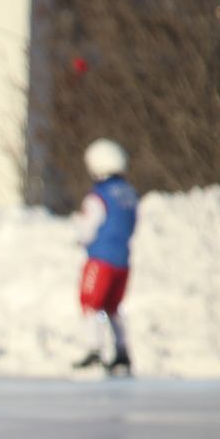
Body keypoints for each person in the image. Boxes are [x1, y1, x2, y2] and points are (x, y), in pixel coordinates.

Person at [71, 138, 138, 376]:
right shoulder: (129, 192)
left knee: (91, 303)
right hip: (123, 260)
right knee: (113, 307)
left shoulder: (99, 194)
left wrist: (80, 239)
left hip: (101, 258)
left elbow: (88, 227)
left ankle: (95, 350)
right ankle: (122, 352)